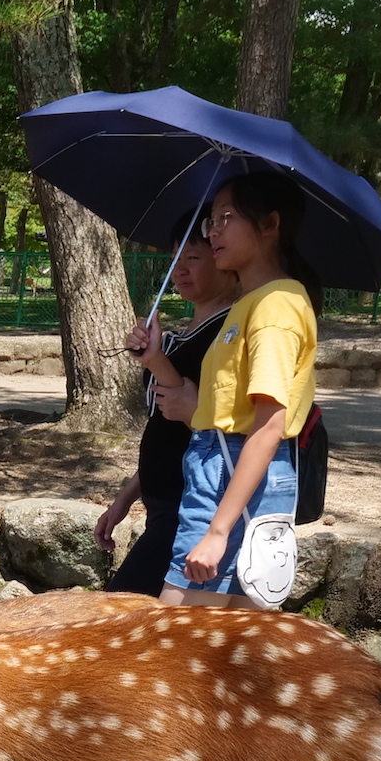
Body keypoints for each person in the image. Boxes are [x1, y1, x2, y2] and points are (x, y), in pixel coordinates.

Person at [165, 172, 321, 609]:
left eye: (225, 217)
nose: (212, 230)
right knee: (224, 645)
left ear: (270, 224)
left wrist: (217, 532)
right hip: (219, 470)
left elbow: (269, 426)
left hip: (233, 475)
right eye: (210, 221)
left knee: (173, 635)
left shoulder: (275, 307)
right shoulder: (250, 304)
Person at [94, 225, 239, 594]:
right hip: (162, 508)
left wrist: (156, 360)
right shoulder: (178, 337)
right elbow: (166, 432)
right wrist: (124, 499)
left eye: (193, 258)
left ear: (223, 260)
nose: (180, 270)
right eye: (176, 259)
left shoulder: (228, 334)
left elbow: (211, 431)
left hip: (192, 506)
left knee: (122, 613)